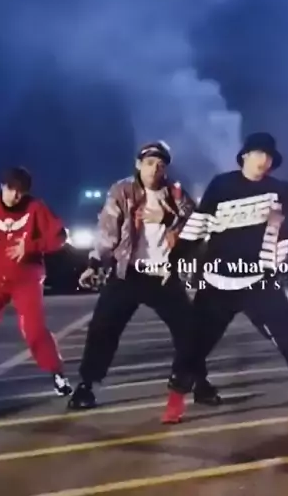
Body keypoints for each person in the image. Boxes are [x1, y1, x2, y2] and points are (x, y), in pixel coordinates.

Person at [161, 132, 288, 424]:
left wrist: (286, 222)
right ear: (245, 156)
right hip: (217, 282)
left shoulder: (280, 189)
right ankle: (175, 402)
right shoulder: (221, 185)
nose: (264, 161)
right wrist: (173, 263)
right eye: (258, 154)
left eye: (269, 156)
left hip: (260, 281)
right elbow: (197, 226)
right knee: (194, 343)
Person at [68, 141, 220, 410]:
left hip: (163, 275)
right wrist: (94, 262)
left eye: (160, 165)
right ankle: (86, 385)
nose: (154, 169)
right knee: (103, 329)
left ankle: (199, 382)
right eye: (149, 163)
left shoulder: (176, 194)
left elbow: (195, 227)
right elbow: (107, 229)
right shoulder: (122, 191)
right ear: (139, 165)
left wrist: (168, 219)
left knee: (189, 330)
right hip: (127, 273)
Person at [0, 167, 71, 396]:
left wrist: (30, 246)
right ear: (2, 187)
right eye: (11, 189)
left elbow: (59, 237)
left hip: (26, 280)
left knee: (34, 329)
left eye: (21, 191)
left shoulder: (36, 208)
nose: (15, 195)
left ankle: (56, 372)